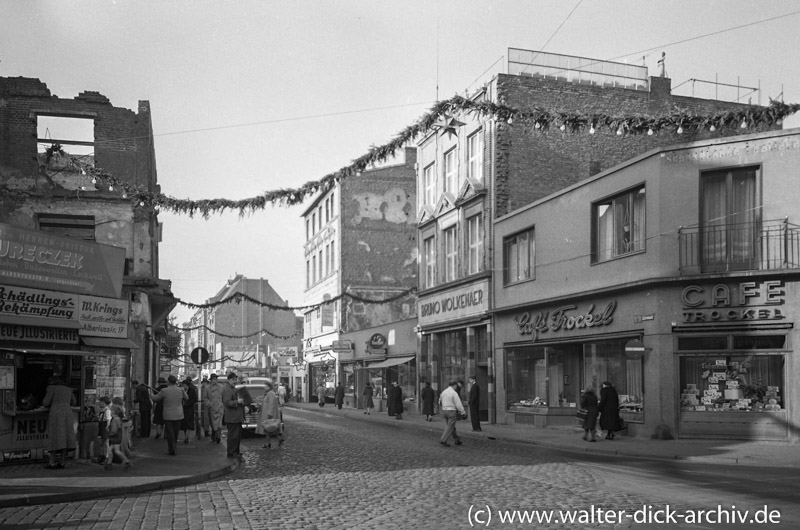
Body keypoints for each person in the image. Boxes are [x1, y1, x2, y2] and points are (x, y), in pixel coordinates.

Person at [42, 376, 77, 469]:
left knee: (54, 436)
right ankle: (62, 462)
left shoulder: (51, 388)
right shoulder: (69, 389)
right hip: (67, 413)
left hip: (56, 414)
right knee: (65, 437)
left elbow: (46, 402)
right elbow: (73, 402)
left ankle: (52, 462)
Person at [150, 375, 188, 456]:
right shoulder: (181, 390)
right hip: (179, 414)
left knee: (170, 433)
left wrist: (150, 393)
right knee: (175, 432)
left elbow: (155, 399)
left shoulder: (164, 391)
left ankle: (172, 448)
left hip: (168, 415)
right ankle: (174, 447)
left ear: (168, 382)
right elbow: (186, 398)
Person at [222, 372, 245, 458]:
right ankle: (231, 452)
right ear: (228, 380)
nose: (235, 381)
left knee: (237, 436)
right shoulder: (227, 389)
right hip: (232, 417)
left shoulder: (233, 388)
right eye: (233, 379)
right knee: (233, 436)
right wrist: (237, 402)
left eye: (235, 379)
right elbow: (227, 402)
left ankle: (236, 451)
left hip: (237, 416)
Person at [256, 378, 284, 449]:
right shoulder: (268, 394)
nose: (264, 387)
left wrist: (270, 414)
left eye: (265, 386)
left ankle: (276, 440)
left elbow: (271, 404)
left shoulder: (271, 394)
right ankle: (270, 442)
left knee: (269, 429)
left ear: (269, 387)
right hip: (266, 413)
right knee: (268, 429)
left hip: (268, 414)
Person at [438, 381, 465, 447]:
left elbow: (439, 402)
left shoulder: (443, 392)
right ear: (454, 385)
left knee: (451, 426)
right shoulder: (454, 393)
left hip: (444, 410)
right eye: (456, 386)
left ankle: (456, 439)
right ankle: (443, 439)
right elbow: (458, 404)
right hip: (451, 411)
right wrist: (463, 412)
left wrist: (444, 406)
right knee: (450, 426)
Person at [107, 404, 132, 470]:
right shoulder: (117, 419)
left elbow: (114, 430)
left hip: (115, 437)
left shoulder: (115, 419)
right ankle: (109, 463)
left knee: (116, 451)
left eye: (111, 411)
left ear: (113, 411)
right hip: (117, 437)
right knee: (111, 450)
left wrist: (110, 434)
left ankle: (126, 461)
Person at [207, 373, 225, 443]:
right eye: (213, 379)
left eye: (216, 379)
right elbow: (205, 398)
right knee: (213, 423)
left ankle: (218, 436)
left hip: (220, 407)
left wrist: (223, 404)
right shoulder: (207, 388)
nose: (215, 380)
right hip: (212, 408)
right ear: (211, 380)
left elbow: (224, 397)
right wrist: (209, 404)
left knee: (219, 423)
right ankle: (214, 434)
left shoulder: (221, 387)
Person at [180, 377, 198, 444]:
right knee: (184, 423)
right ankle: (185, 435)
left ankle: (187, 436)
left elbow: (194, 399)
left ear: (187, 385)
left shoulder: (192, 391)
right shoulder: (181, 391)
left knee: (188, 423)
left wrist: (189, 403)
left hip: (189, 409)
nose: (183, 386)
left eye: (184, 385)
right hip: (183, 409)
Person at [96, 396, 113, 466]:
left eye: (100, 402)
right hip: (101, 427)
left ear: (104, 403)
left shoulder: (107, 410)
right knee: (101, 442)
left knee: (106, 443)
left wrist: (107, 427)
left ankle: (106, 457)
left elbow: (108, 419)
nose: (99, 403)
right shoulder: (102, 410)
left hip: (105, 427)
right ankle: (101, 455)